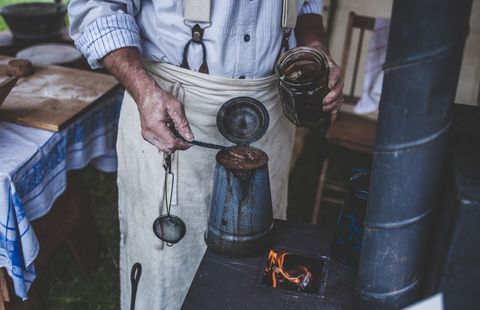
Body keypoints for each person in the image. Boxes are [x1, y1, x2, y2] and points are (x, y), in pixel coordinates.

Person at [68, 0, 343, 309]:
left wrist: (316, 51)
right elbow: (98, 8)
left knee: (256, 257)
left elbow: (307, 6)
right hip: (170, 104)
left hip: (270, 110)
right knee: (169, 265)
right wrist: (144, 91)